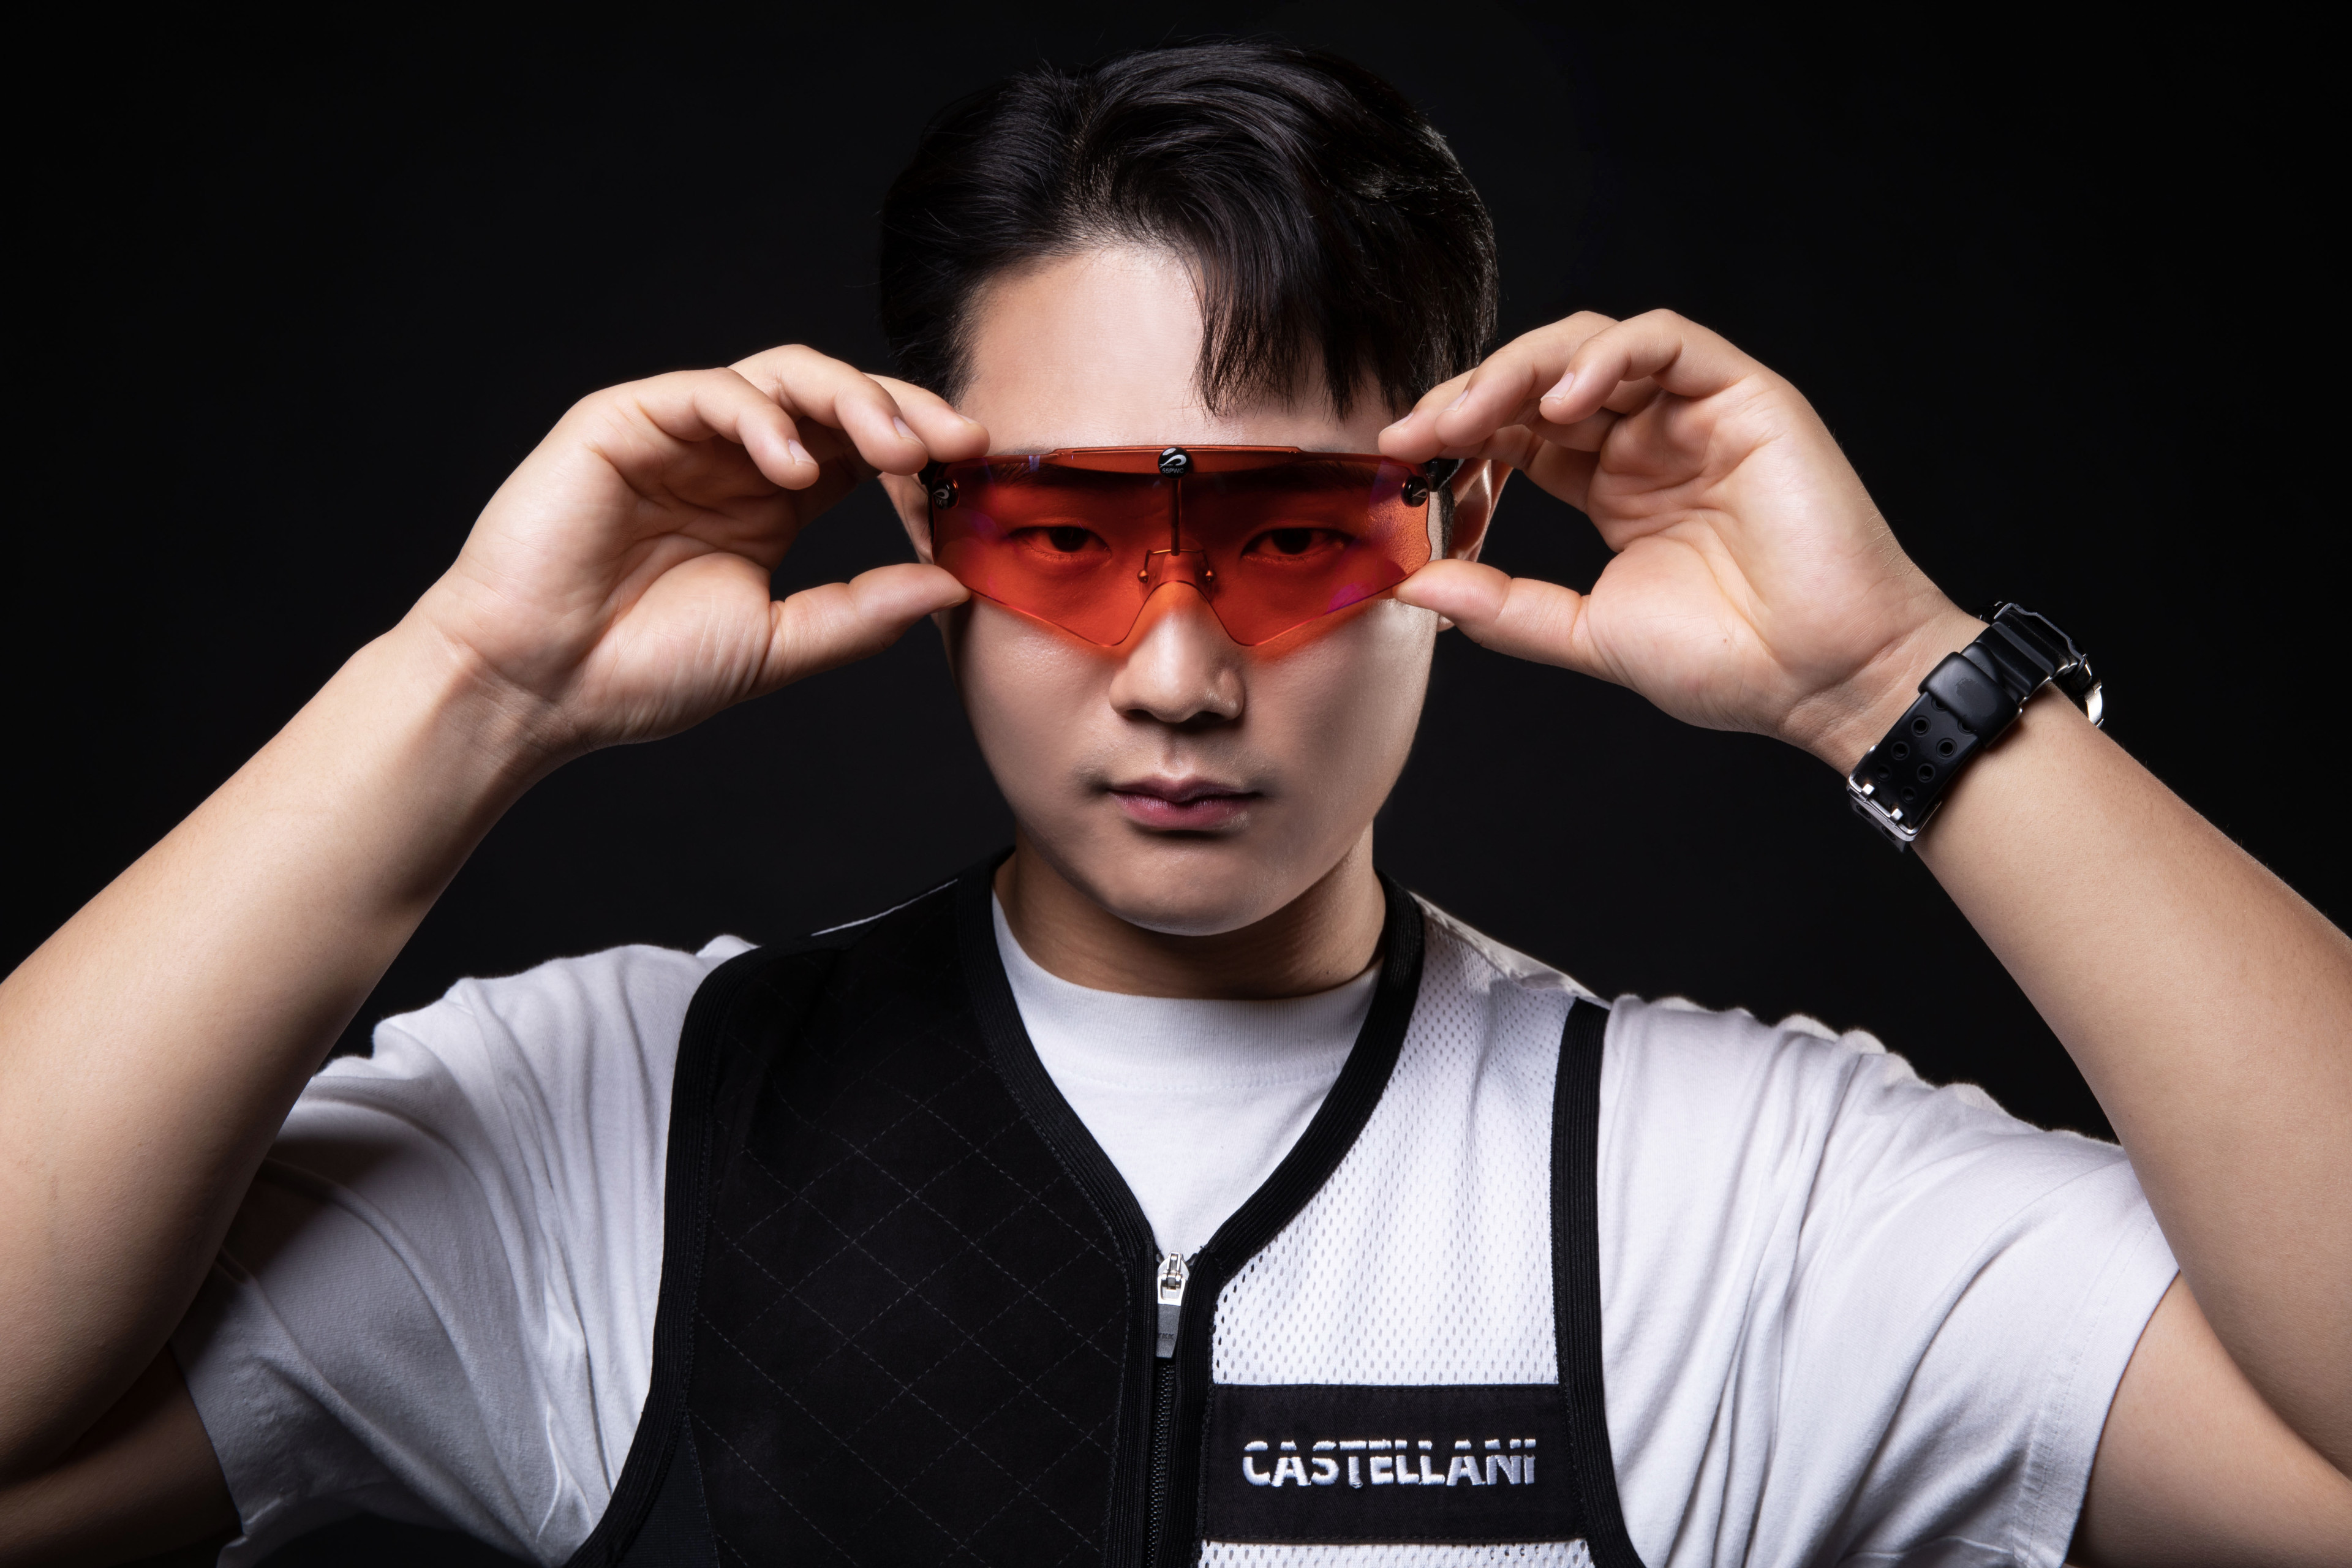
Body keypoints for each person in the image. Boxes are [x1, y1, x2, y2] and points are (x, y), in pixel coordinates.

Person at [2, 39, 2347, 1568]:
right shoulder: (618, 1132)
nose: (1181, 670)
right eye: (1066, 535)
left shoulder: (1723, 1198)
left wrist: (1894, 682)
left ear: (1460, 525)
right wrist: (469, 687)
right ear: (931, 524)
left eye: (1298, 539)